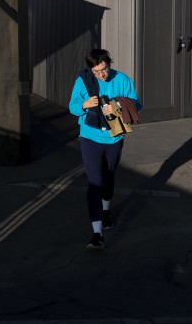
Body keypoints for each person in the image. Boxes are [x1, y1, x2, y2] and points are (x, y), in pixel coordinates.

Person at [68, 48, 141, 250]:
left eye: (105, 69)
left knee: (108, 177)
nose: (102, 75)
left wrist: (117, 105)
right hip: (89, 136)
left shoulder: (122, 79)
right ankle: (97, 234)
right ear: (90, 69)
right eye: (97, 72)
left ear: (109, 64)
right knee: (94, 181)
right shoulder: (83, 81)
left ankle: (106, 212)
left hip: (114, 137)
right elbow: (72, 107)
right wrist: (84, 104)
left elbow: (137, 105)